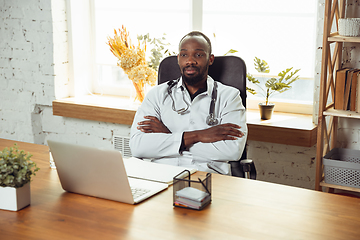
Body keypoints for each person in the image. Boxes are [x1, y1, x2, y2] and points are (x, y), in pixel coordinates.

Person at [129, 31, 247, 175]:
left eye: (198, 55)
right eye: (184, 55)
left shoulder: (229, 96)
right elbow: (138, 146)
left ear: (210, 59)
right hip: (162, 175)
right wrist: (198, 136)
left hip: (207, 177)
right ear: (178, 59)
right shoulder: (157, 94)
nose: (190, 61)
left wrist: (169, 137)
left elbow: (233, 150)